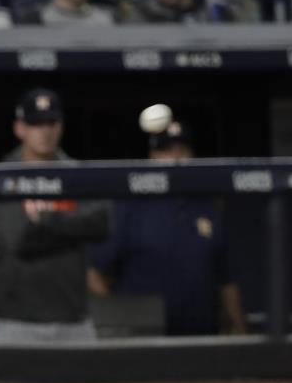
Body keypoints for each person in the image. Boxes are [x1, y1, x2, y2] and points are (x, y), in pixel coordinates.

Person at [88, 121, 248, 336]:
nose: (176, 158)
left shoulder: (208, 207)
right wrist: (122, 323)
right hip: (145, 340)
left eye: (182, 150)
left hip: (201, 337)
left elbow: (226, 279)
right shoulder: (129, 206)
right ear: (152, 156)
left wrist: (241, 330)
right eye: (167, 150)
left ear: (192, 155)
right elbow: (93, 274)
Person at [0, 89, 110, 344]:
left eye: (51, 123)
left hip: (73, 320)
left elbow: (100, 224)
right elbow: (19, 241)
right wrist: (71, 227)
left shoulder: (76, 174)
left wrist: (44, 220)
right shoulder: (2, 175)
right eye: (36, 124)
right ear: (20, 128)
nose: (45, 131)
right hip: (17, 322)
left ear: (61, 126)